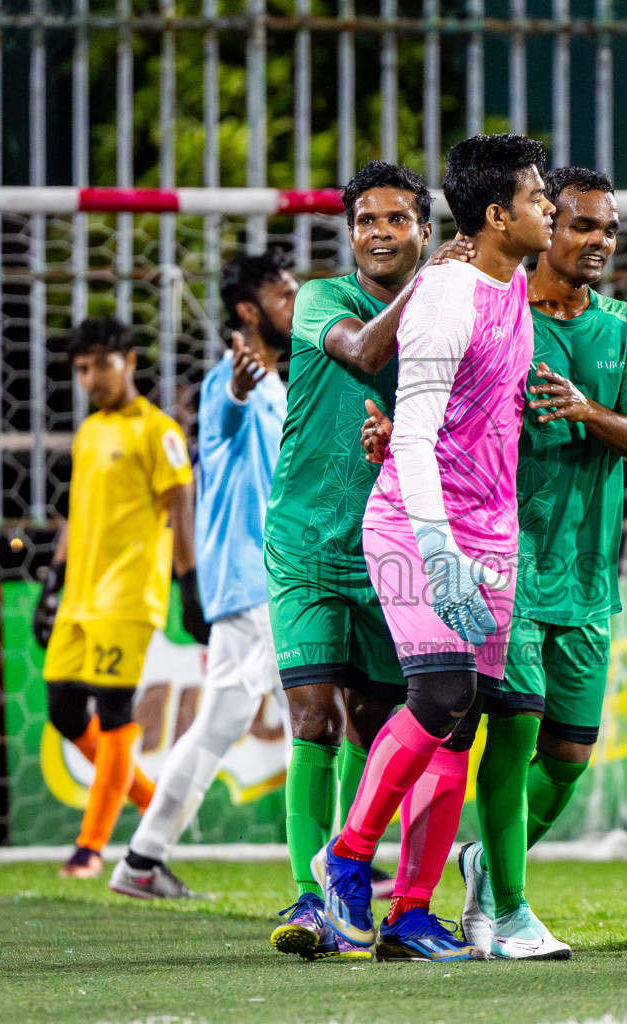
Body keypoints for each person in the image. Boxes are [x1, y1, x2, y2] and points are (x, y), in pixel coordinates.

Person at [361, 166, 627, 959]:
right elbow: (437, 409)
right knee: (509, 731)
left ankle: (480, 864)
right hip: (506, 563)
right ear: (539, 226)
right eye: (577, 223)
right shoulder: (499, 306)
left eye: (607, 228)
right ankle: (505, 911)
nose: (597, 241)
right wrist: (395, 452)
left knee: (568, 758)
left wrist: (587, 409)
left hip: (586, 572)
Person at [315, 133, 555, 962]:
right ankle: (345, 862)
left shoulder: (512, 279)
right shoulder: (448, 295)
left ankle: (413, 915)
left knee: (464, 722)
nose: (549, 209)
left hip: (492, 532)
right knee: (441, 692)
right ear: (497, 216)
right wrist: (440, 550)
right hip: (416, 523)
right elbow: (412, 439)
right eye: (535, 198)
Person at [264, 161, 474, 959]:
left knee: (374, 722)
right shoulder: (322, 300)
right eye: (365, 221)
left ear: (425, 230)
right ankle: (309, 896)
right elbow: (358, 354)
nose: (379, 232)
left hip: (394, 545)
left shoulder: (449, 309)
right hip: (307, 543)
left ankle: (355, 891)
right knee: (313, 717)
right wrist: (432, 288)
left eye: (396, 220)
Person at [107, 250, 294, 899]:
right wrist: (241, 389)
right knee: (312, 713)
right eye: (283, 293)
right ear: (249, 310)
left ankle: (142, 858)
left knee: (224, 722)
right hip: (251, 581)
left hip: (263, 579)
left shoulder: (277, 384)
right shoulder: (231, 381)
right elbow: (226, 416)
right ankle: (339, 857)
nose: (295, 304)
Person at [34, 316, 203, 880]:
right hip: (79, 595)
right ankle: (156, 801)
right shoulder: (88, 434)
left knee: (111, 717)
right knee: (61, 708)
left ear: (129, 361)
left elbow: (181, 507)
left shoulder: (159, 432)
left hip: (128, 597)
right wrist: (52, 583)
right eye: (81, 369)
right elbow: (74, 514)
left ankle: (90, 846)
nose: (90, 379)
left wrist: (189, 586)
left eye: (100, 365)